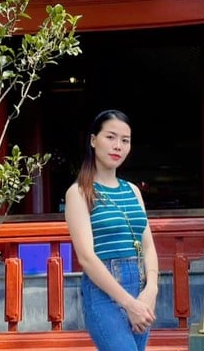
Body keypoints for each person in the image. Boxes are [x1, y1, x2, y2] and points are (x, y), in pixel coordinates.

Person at [65, 110, 159, 351]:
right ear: (93, 140)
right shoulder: (79, 193)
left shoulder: (132, 191)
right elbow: (86, 258)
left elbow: (147, 245)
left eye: (125, 140)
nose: (118, 146)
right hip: (105, 291)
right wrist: (129, 304)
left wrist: (151, 290)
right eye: (110, 137)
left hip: (140, 287)